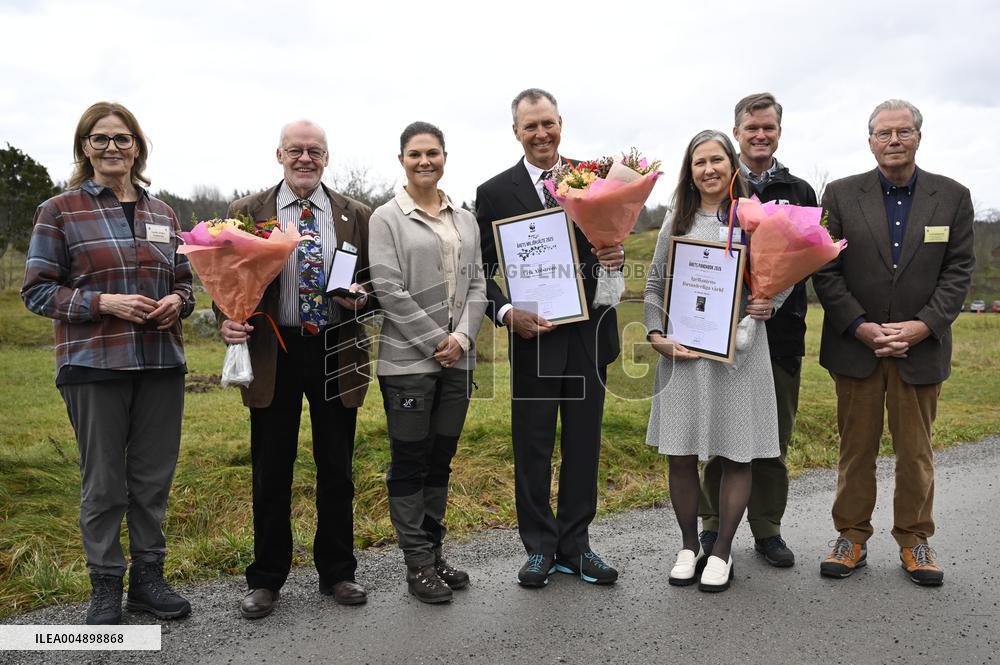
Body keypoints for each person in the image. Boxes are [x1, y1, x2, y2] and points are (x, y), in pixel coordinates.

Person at [21, 101, 195, 624]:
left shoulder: (163, 214)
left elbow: (186, 282)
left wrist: (178, 303)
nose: (112, 148)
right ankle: (104, 585)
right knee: (103, 482)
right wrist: (103, 304)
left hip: (161, 362)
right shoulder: (60, 210)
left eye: (122, 139)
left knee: (152, 479)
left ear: (137, 147)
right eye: (100, 139)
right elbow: (36, 291)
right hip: (94, 364)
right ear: (84, 148)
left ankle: (148, 580)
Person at [813, 99, 974, 586]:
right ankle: (851, 537)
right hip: (856, 347)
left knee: (916, 452)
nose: (894, 140)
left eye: (903, 131)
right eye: (884, 133)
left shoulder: (952, 196)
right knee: (855, 451)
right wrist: (859, 325)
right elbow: (825, 266)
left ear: (919, 137)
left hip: (920, 349)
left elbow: (959, 271)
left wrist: (923, 325)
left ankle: (914, 539)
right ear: (870, 141)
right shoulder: (840, 195)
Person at [218, 120, 372, 618]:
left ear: (327, 157)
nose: (305, 158)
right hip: (274, 351)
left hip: (334, 348)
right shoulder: (247, 212)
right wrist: (228, 320)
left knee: (336, 468)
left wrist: (363, 300)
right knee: (270, 469)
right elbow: (225, 277)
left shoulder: (356, 215)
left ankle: (338, 572)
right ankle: (266, 578)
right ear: (279, 154)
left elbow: (374, 282)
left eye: (315, 151)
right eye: (295, 150)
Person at [476, 88, 624, 588]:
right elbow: (482, 271)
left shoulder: (598, 178)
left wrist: (615, 258)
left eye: (548, 123)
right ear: (515, 132)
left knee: (584, 444)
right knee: (533, 444)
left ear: (562, 122)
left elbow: (612, 243)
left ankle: (577, 546)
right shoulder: (494, 191)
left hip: (588, 336)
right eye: (530, 126)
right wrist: (505, 312)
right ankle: (539, 547)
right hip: (533, 337)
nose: (541, 133)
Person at [644, 130, 786, 592]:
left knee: (735, 453)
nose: (708, 169)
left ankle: (721, 552)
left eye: (716, 160)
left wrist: (769, 302)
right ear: (690, 170)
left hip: (737, 357)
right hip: (683, 356)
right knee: (681, 455)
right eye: (699, 162)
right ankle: (689, 546)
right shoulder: (676, 221)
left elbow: (779, 279)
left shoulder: (754, 219)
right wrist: (655, 334)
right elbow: (652, 288)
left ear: (732, 165)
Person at [368, 121, 487, 603]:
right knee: (410, 462)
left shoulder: (466, 219)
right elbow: (388, 288)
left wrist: (461, 338)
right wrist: (436, 339)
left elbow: (478, 284)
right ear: (401, 160)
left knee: (441, 461)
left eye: (433, 153)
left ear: (444, 157)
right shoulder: (386, 218)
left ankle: (434, 553)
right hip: (407, 364)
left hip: (457, 361)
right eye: (415, 154)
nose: (424, 162)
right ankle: (416, 564)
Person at [698, 93, 818, 568]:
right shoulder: (716, 187)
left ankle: (767, 528)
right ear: (737, 132)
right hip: (720, 336)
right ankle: (710, 526)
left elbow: (810, 258)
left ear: (779, 132)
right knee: (718, 433)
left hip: (780, 337)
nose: (760, 135)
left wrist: (772, 296)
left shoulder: (801, 191)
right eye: (751, 129)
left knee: (772, 438)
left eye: (768, 127)